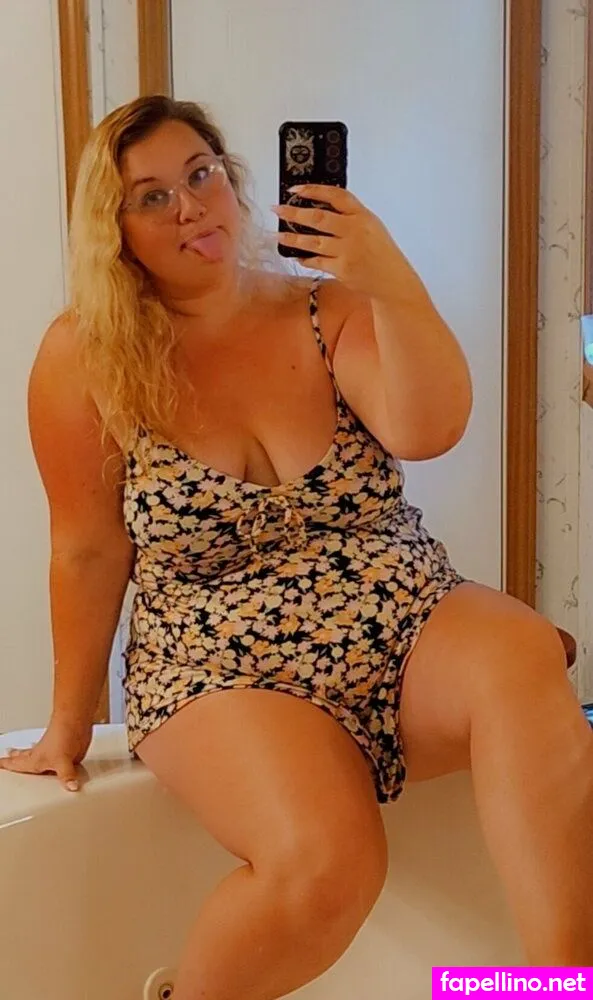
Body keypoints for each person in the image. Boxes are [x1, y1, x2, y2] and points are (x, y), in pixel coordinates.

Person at [1, 95, 592, 996]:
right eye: (152, 197)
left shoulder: (327, 310)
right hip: (218, 662)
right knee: (324, 865)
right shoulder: (87, 355)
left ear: (234, 182)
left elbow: (427, 429)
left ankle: (563, 983)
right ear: (113, 230)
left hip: (403, 613)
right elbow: (86, 549)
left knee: (520, 649)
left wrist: (389, 278)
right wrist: (69, 723)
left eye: (200, 175)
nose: (189, 206)